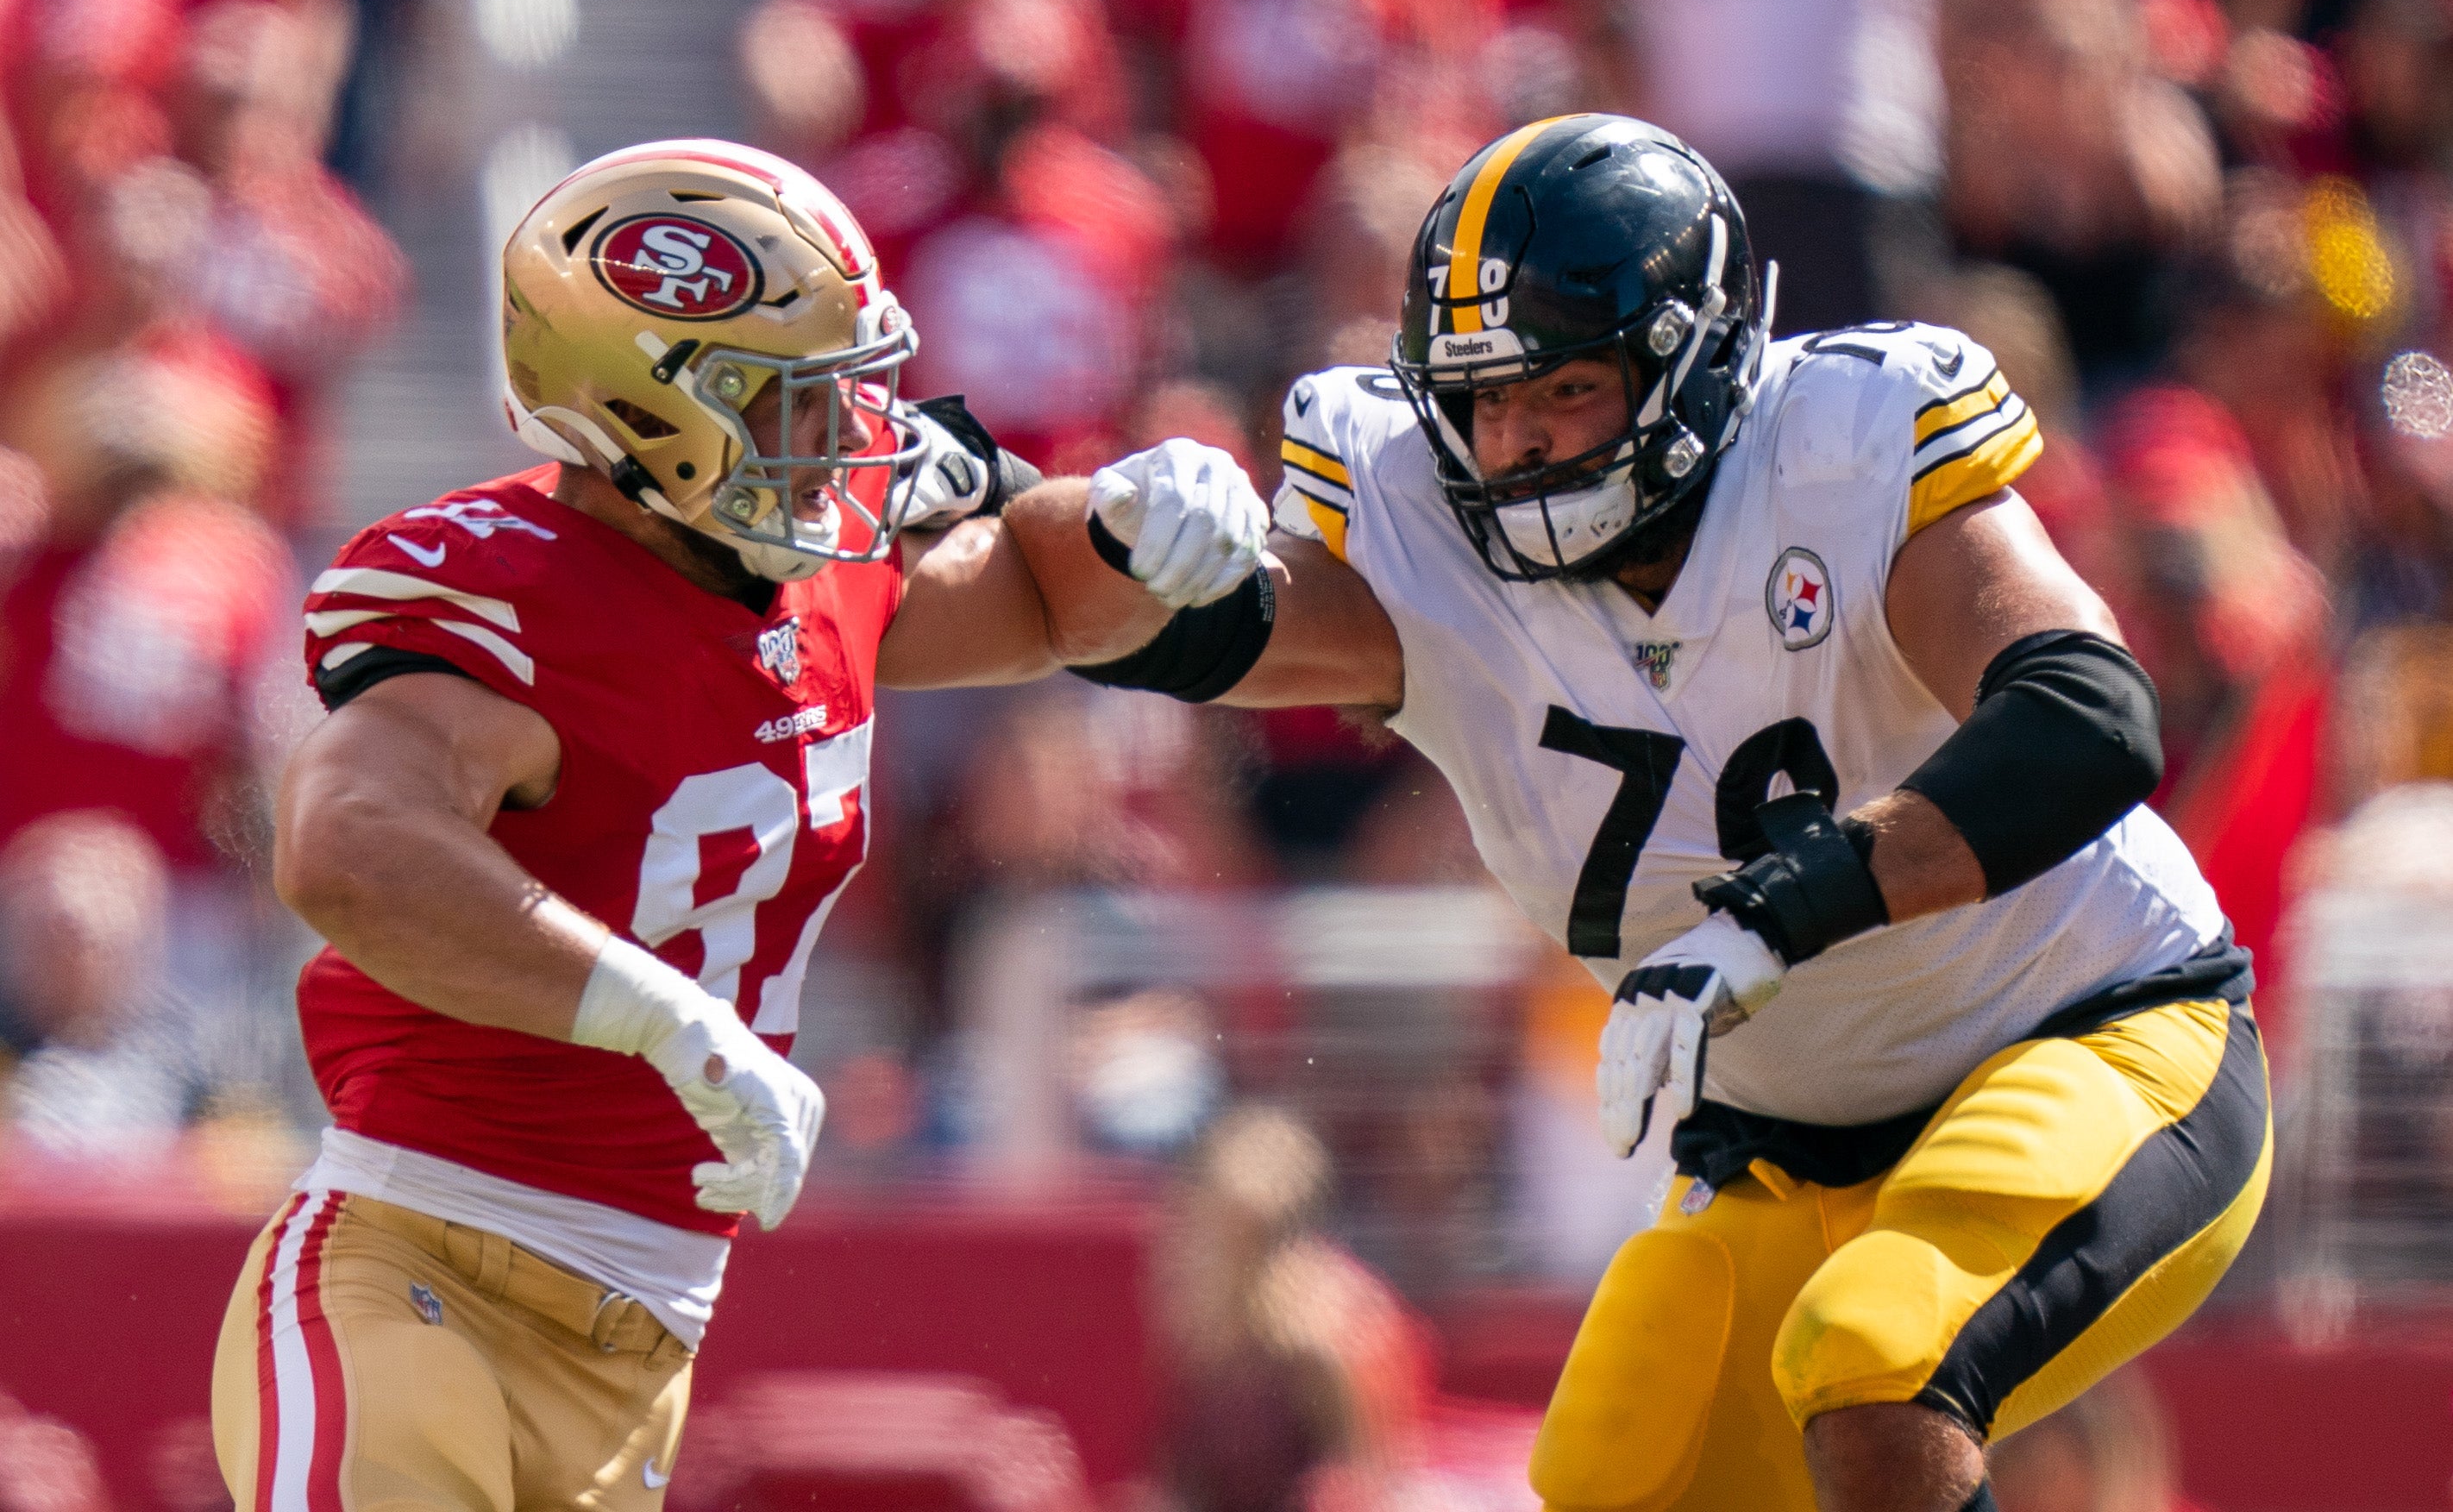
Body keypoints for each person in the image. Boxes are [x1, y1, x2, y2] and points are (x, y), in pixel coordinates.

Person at [1003, 115, 2271, 1512]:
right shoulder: (1433, 537)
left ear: (1691, 361)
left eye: (1562, 392)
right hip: (1792, 1144)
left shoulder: (1840, 450)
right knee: (1615, 1467)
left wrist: (1781, 914)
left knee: (1881, 1358)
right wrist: (1105, 531)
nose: (1515, 444)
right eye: (1482, 402)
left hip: (2090, 1030)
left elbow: (2090, 716)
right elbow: (1169, 631)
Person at [208, 139, 1268, 1509]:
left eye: (845, 392)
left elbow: (1047, 594)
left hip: (646, 1336)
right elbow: (346, 847)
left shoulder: (813, 568)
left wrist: (1138, 520)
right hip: (425, 1273)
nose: (840, 438)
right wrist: (662, 1019)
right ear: (642, 412)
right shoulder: (517, 594)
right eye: (788, 402)